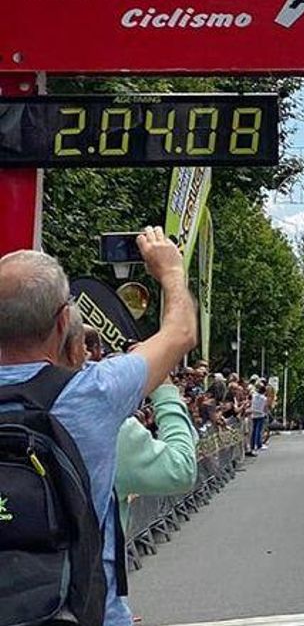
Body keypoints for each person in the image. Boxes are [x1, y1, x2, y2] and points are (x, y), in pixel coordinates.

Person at [0, 227, 196, 626]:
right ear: (61, 324)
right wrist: (172, 271)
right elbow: (180, 333)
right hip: (81, 612)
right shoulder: (91, 393)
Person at [249, 383, 268, 454]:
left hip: (253, 413)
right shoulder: (264, 398)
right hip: (260, 414)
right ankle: (259, 444)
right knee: (258, 430)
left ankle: (253, 445)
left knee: (254, 430)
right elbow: (265, 407)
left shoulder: (254, 396)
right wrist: (266, 413)